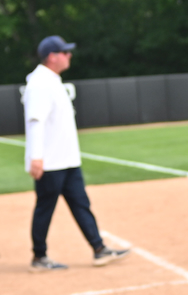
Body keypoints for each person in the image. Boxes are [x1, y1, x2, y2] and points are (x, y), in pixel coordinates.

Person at [23, 35, 130, 272]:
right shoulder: (40, 83)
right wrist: (36, 157)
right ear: (52, 56)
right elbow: (35, 122)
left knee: (81, 204)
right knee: (45, 208)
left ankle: (99, 249)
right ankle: (39, 257)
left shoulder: (53, 80)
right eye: (65, 52)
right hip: (50, 162)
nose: (69, 55)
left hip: (67, 159)